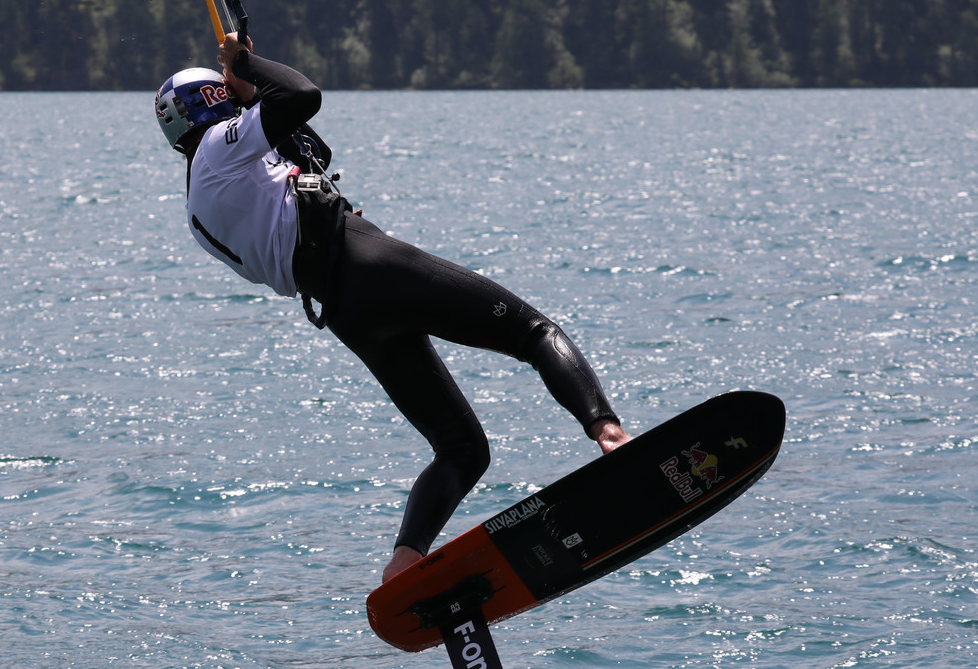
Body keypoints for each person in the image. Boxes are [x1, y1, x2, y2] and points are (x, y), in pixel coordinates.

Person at [154, 34, 630, 584]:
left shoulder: (199, 205)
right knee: (533, 333)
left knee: (462, 450)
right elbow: (304, 95)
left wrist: (252, 94)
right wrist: (248, 66)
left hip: (346, 311)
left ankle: (405, 562)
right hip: (366, 262)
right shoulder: (220, 146)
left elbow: (313, 152)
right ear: (212, 104)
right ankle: (611, 438)